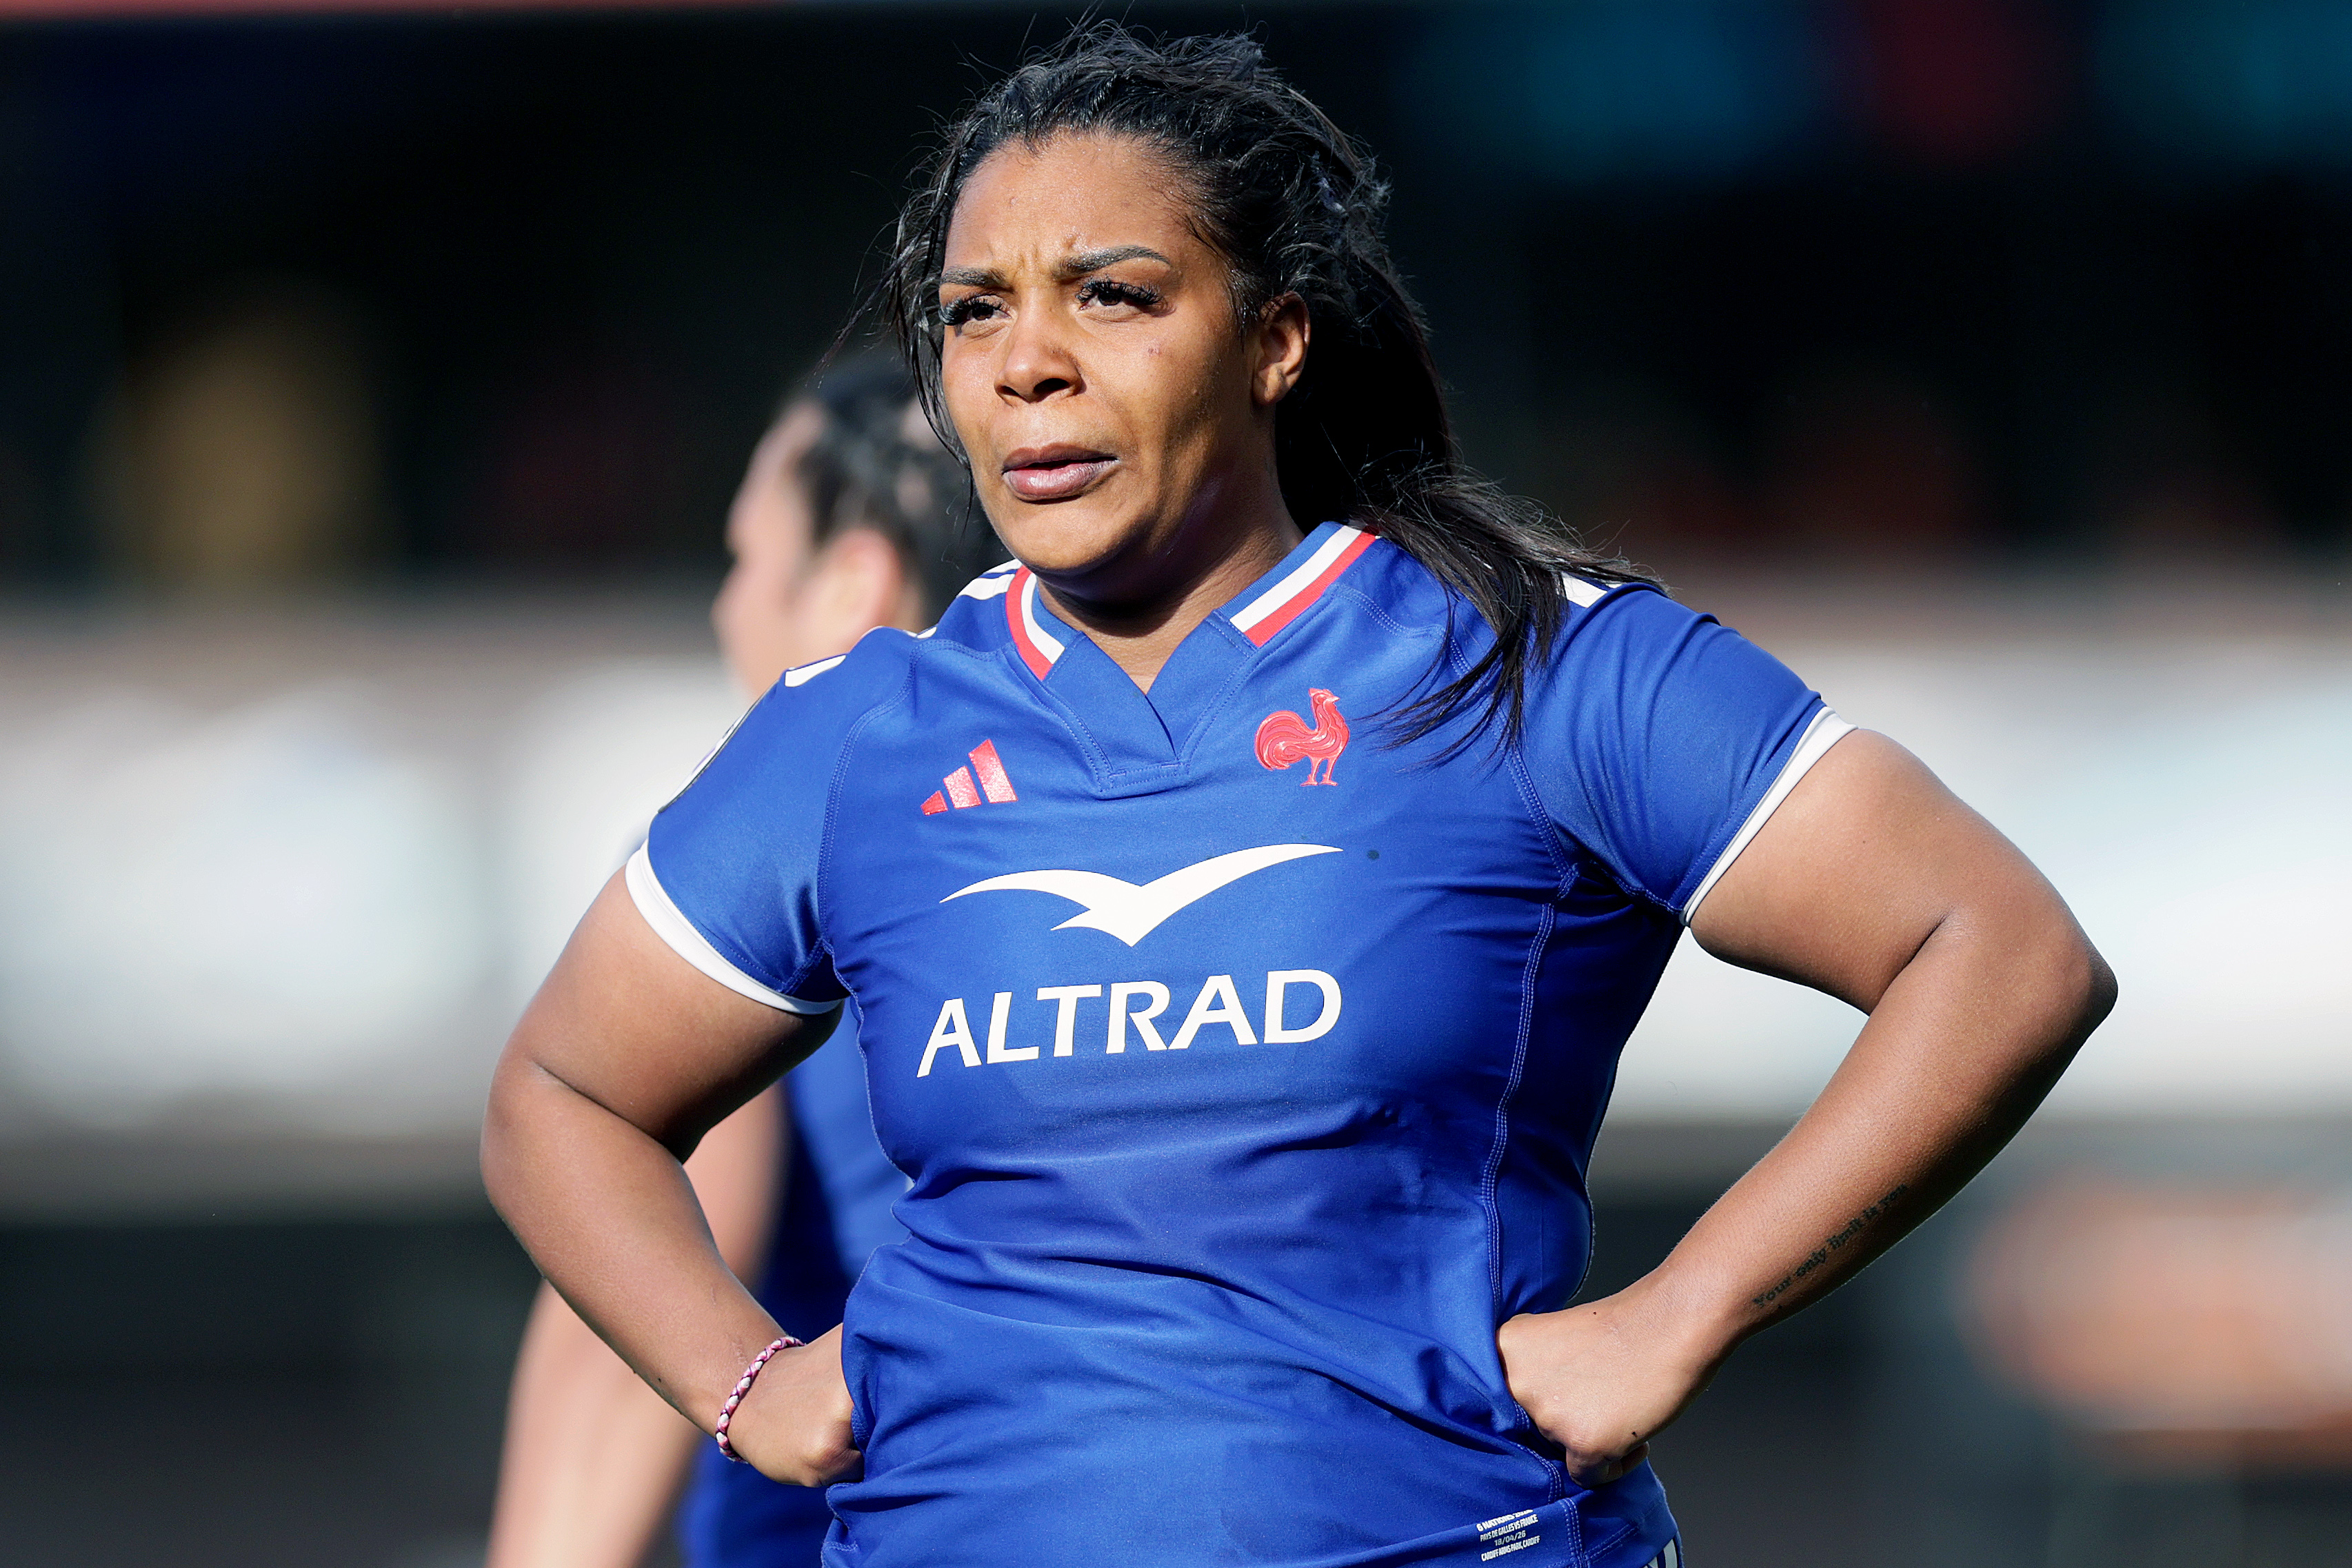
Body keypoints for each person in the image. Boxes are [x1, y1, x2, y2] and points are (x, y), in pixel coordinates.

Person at [483, 29, 2115, 1568]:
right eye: (974, 313)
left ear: (1273, 339)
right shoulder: (856, 733)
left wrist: (1680, 1312)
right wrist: (743, 1379)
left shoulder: (1529, 668)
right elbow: (561, 1094)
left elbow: (1997, 949)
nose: (1028, 364)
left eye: (1111, 295)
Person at [486, 356, 989, 1568]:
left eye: (747, 559)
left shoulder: (755, 886)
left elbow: (622, 1302)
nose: (728, 608)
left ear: (852, 582)